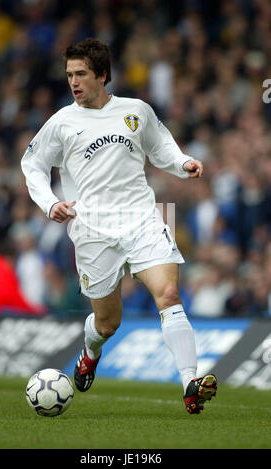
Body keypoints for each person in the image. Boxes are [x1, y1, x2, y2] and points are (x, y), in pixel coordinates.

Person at [21, 38, 217, 414]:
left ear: (103, 75)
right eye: (69, 75)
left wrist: (183, 163)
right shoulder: (62, 122)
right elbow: (32, 166)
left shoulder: (136, 111)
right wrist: (50, 204)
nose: (73, 82)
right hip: (92, 231)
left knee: (169, 295)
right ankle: (90, 352)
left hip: (141, 218)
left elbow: (162, 148)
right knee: (109, 323)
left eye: (81, 74)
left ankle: (190, 382)